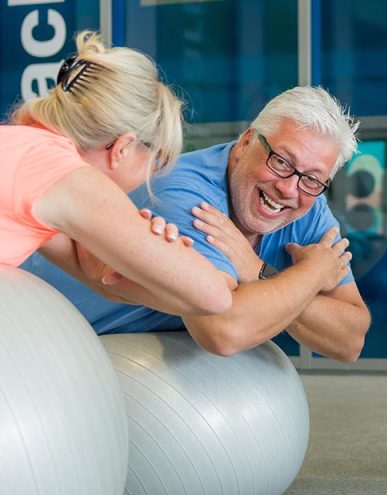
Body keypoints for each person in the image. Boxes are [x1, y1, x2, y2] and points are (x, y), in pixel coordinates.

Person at [24, 86, 371, 362]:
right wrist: (313, 274)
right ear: (246, 142)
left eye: (312, 179)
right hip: (34, 343)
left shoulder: (307, 204)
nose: (288, 188)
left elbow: (350, 339)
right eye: (280, 161)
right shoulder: (183, 192)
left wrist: (259, 272)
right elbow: (224, 331)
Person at [3, 30, 231, 317]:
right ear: (124, 146)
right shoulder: (68, 176)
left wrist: (118, 260)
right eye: (154, 160)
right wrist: (221, 272)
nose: (148, 179)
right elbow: (215, 298)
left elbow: (99, 279)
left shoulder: (24, 150)